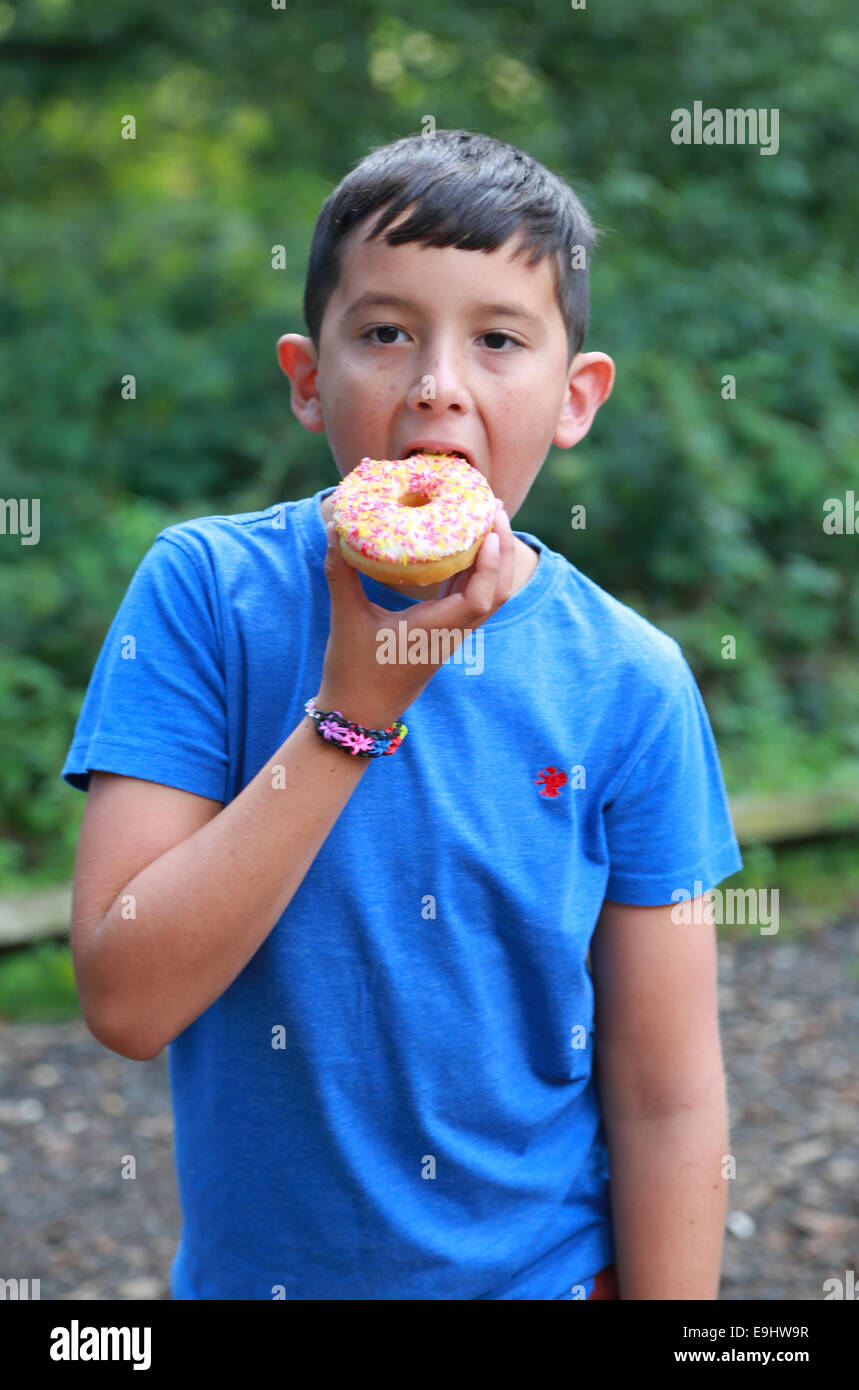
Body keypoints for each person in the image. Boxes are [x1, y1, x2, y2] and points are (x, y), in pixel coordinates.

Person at [61, 129, 742, 1300]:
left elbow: (667, 1092)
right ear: (307, 377)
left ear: (575, 397)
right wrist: (349, 716)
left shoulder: (629, 679)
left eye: (496, 339)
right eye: (385, 332)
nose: (437, 383)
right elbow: (127, 997)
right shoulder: (204, 599)